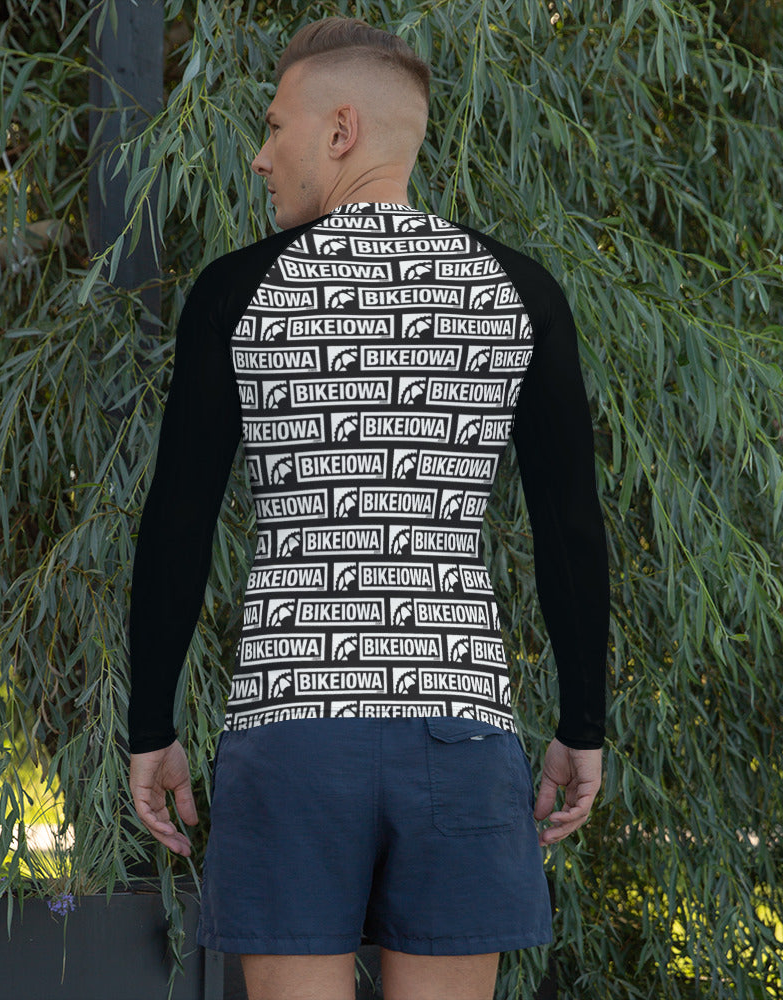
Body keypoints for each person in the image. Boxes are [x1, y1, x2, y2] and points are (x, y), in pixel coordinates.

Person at [126, 16, 609, 1000]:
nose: (261, 156)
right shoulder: (517, 293)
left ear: (340, 129)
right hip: (459, 728)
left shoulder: (236, 294)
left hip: (290, 729)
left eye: (276, 127)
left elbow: (178, 524)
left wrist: (150, 725)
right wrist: (582, 723)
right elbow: (569, 529)